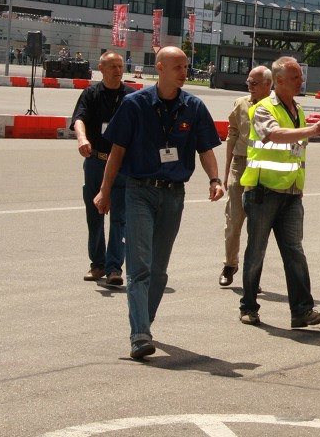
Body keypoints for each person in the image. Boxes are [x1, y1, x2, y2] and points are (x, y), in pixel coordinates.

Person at [94, 46, 224, 360]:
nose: (184, 72)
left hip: (174, 194)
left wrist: (214, 179)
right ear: (160, 68)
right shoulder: (134, 104)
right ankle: (139, 334)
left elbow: (205, 148)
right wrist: (105, 190)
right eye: (178, 66)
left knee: (159, 271)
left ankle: (144, 322)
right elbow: (117, 152)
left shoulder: (194, 107)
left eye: (186, 67)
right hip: (139, 191)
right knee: (139, 267)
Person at [238, 56, 320, 328]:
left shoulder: (297, 110)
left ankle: (301, 311)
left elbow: (295, 149)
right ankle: (248, 306)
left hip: (291, 193)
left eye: (300, 76)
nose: (301, 80)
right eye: (295, 77)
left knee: (294, 251)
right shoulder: (263, 108)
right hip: (263, 192)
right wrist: (311, 129)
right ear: (278, 81)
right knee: (256, 252)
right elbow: (273, 135)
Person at [71, 51, 136, 286]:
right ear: (101, 68)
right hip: (96, 162)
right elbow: (79, 118)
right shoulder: (91, 94)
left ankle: (114, 268)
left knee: (120, 217)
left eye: (120, 66)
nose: (118, 70)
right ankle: (97, 264)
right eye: (113, 66)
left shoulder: (132, 96)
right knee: (95, 214)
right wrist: (81, 138)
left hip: (121, 166)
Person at [218, 65, 272, 287]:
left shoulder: (277, 107)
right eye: (248, 82)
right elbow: (232, 135)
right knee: (234, 217)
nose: (250, 86)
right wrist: (226, 170)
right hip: (241, 166)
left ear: (269, 84)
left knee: (258, 226)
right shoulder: (240, 104)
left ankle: (252, 275)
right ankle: (230, 263)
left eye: (255, 83)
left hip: (266, 168)